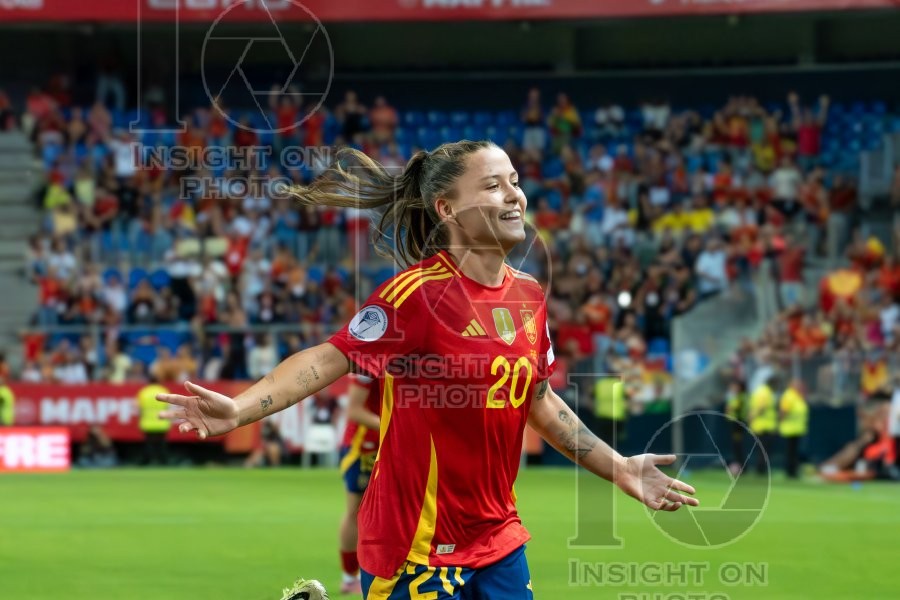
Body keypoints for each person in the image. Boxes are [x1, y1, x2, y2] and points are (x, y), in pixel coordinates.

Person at [158, 140, 699, 600]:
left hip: (498, 539)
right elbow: (330, 357)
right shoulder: (417, 295)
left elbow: (538, 401)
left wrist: (619, 468)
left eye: (514, 181)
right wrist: (241, 409)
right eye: (492, 186)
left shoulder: (530, 295)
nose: (514, 195)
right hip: (415, 546)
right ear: (446, 209)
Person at [338, 374, 381, 595]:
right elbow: (354, 410)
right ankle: (349, 576)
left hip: (394, 441)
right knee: (356, 512)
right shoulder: (369, 355)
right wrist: (393, 426)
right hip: (364, 446)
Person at [137, 375, 172, 466]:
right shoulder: (164, 391)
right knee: (161, 444)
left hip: (148, 422)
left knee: (149, 444)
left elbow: (139, 408)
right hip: (162, 422)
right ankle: (164, 462)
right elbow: (168, 407)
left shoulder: (144, 392)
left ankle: (147, 461)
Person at [778, 379, 809, 479]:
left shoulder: (796, 395)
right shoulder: (789, 396)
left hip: (796, 428)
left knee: (794, 452)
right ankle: (790, 471)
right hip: (790, 429)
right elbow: (783, 411)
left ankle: (793, 470)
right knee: (790, 452)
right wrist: (780, 422)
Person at [749, 374, 777, 475]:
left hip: (759, 425)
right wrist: (752, 417)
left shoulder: (760, 391)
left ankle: (760, 468)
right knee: (764, 449)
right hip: (764, 426)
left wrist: (751, 418)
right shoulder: (766, 392)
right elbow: (762, 407)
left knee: (761, 449)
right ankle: (761, 469)